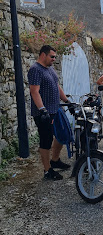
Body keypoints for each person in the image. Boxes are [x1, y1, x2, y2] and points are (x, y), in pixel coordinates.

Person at [28, 45, 72, 180]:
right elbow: (34, 91)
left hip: (56, 109)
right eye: (52, 56)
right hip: (43, 113)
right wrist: (42, 110)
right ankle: (47, 171)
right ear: (43, 55)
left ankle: (55, 160)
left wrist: (66, 100)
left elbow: (56, 86)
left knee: (62, 135)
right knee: (46, 140)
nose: (54, 59)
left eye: (55, 57)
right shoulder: (35, 70)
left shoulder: (50, 69)